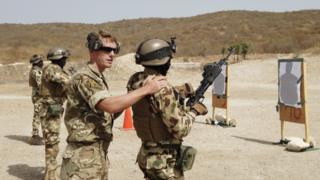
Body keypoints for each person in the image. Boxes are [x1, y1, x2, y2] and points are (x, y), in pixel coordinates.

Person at [60, 30, 167, 180]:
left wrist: (134, 94)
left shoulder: (97, 78)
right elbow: (109, 106)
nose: (112, 54)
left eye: (115, 50)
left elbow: (107, 114)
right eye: (106, 49)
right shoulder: (84, 77)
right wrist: (145, 89)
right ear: (92, 50)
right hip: (82, 159)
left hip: (96, 155)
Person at [127, 38, 208, 180]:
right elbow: (180, 129)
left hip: (147, 154)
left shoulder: (134, 80)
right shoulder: (163, 89)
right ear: (161, 61)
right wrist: (194, 111)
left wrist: (176, 91)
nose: (169, 63)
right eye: (168, 59)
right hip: (163, 161)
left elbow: (151, 103)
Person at [39, 48, 71, 180]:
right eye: (64, 59)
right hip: (49, 109)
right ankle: (51, 175)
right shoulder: (52, 69)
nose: (65, 61)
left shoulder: (55, 68)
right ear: (59, 59)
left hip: (54, 108)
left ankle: (51, 172)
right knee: (52, 141)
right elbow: (67, 81)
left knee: (53, 141)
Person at [28, 54, 44, 145]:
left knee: (40, 114)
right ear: (38, 62)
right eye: (41, 61)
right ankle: (35, 135)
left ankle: (36, 134)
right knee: (37, 115)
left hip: (38, 95)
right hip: (38, 96)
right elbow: (40, 84)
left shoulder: (36, 70)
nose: (42, 63)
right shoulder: (36, 71)